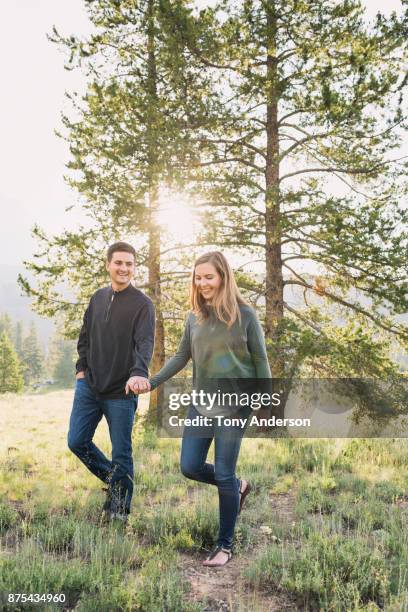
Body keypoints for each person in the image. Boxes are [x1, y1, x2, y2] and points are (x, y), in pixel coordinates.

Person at [136, 251, 271, 566]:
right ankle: (238, 487)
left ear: (223, 277)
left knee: (223, 472)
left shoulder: (246, 316)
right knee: (190, 466)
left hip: (236, 406)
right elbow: (181, 357)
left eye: (208, 276)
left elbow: (261, 361)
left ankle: (224, 546)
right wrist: (151, 382)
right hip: (201, 404)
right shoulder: (193, 317)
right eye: (198, 277)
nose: (202, 283)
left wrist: (264, 402)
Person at [67, 241, 155, 522]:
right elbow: (85, 337)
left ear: (134, 267)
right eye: (119, 263)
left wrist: (139, 372)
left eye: (129, 264)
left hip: (121, 391)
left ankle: (119, 513)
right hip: (89, 386)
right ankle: (116, 481)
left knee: (122, 452)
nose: (124, 268)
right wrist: (82, 370)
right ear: (108, 265)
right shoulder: (98, 298)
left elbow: (144, 343)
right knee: (77, 441)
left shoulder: (142, 304)